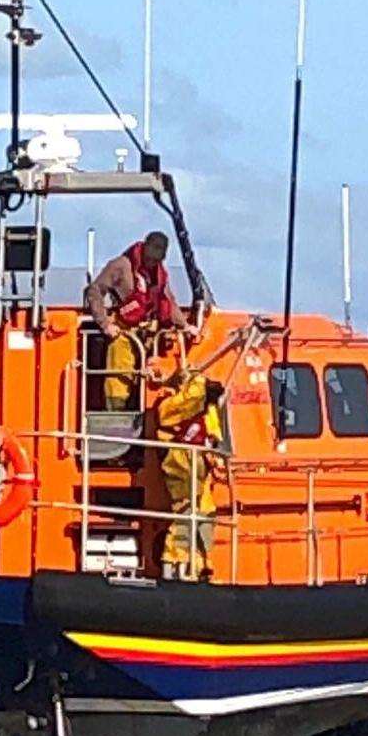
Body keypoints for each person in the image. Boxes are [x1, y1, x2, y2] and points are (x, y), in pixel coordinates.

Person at [84, 230, 191, 410]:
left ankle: (148, 416)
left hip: (149, 335)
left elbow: (168, 301)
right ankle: (115, 416)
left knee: (156, 376)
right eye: (150, 258)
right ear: (144, 248)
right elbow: (94, 291)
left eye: (157, 260)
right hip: (124, 332)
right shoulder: (121, 265)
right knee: (118, 378)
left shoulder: (160, 274)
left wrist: (185, 326)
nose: (152, 263)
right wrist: (105, 323)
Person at [154, 371, 226, 580]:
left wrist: (216, 459)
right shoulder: (170, 404)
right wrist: (200, 384)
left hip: (201, 467)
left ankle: (200, 566)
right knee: (185, 511)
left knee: (205, 514)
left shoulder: (207, 409)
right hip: (181, 461)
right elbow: (175, 410)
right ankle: (173, 565)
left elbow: (214, 436)